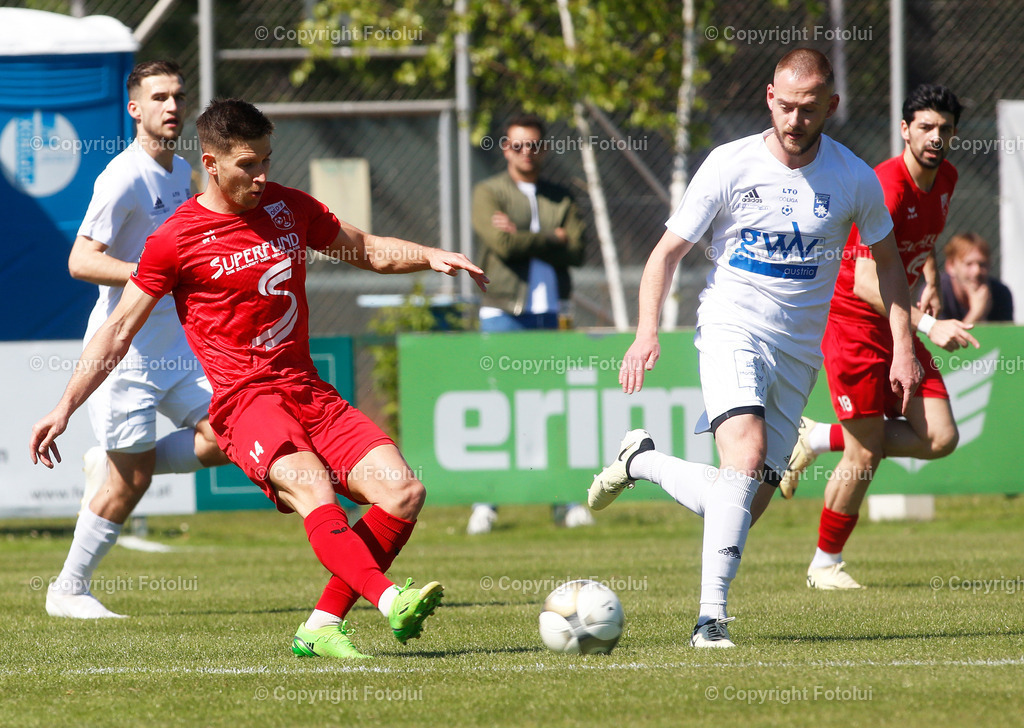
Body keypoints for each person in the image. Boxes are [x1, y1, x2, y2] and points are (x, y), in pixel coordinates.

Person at [31, 98, 489, 659]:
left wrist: (431, 255)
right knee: (315, 489)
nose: (262, 175)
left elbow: (366, 249)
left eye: (267, 159)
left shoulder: (289, 208)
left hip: (309, 391)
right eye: (248, 164)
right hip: (245, 404)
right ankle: (391, 600)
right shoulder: (175, 239)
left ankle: (321, 626)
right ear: (211, 163)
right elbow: (118, 329)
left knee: (403, 493)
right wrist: (63, 408)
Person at [586, 49, 922, 648]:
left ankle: (642, 460)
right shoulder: (729, 164)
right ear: (770, 97)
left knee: (739, 502)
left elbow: (890, 266)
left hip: (798, 354)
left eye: (808, 109)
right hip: (730, 327)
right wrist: (645, 332)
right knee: (746, 457)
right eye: (785, 106)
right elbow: (665, 254)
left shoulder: (852, 177)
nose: (795, 120)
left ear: (831, 106)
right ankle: (709, 620)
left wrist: (903, 346)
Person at [46, 60, 231, 620]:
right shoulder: (122, 177)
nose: (171, 106)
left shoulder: (182, 171)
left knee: (229, 433)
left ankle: (110, 462)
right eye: (158, 97)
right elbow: (80, 261)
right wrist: (150, 274)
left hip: (176, 347)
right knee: (132, 483)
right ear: (134, 108)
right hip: (125, 354)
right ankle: (67, 590)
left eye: (178, 96)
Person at [779, 84, 980, 590]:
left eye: (945, 128)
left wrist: (930, 281)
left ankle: (818, 436)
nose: (936, 137)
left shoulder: (947, 177)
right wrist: (929, 324)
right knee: (864, 454)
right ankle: (825, 564)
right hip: (855, 325)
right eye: (926, 127)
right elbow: (867, 282)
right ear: (905, 130)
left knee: (941, 437)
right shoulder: (886, 185)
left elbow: (921, 240)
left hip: (898, 322)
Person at [468, 113, 590, 534]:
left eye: (534, 145)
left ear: (544, 148)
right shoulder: (489, 192)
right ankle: (486, 503)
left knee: (555, 408)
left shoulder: (560, 195)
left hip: (552, 314)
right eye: (518, 145)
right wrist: (551, 237)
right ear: (505, 148)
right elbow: (501, 244)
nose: (526, 153)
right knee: (500, 408)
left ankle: (565, 501)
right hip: (503, 312)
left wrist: (525, 234)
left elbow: (578, 251)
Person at [939, 232, 1014, 323]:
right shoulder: (937, 292)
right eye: (969, 264)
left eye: (982, 264)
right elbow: (937, 332)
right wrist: (976, 313)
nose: (977, 271)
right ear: (951, 266)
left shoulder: (1001, 293)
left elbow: (1004, 332)